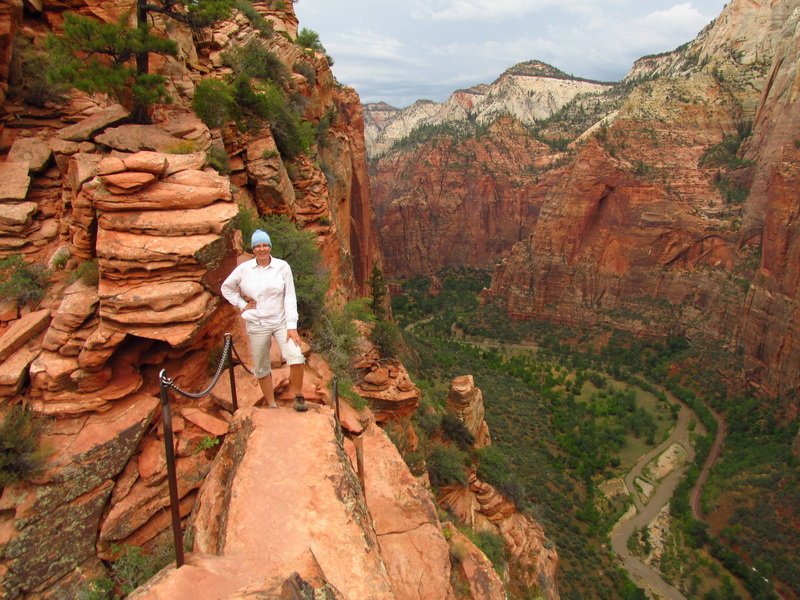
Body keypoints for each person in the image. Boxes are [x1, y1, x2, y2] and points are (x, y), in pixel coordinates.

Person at [221, 229, 308, 412]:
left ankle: (298, 395)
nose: (262, 249)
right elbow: (226, 288)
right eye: (257, 246)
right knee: (261, 365)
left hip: (281, 321)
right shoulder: (244, 270)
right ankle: (271, 404)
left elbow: (289, 297)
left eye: (265, 245)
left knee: (296, 356)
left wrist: (292, 327)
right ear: (253, 249)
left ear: (270, 246)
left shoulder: (282, 267)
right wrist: (242, 304)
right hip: (257, 323)